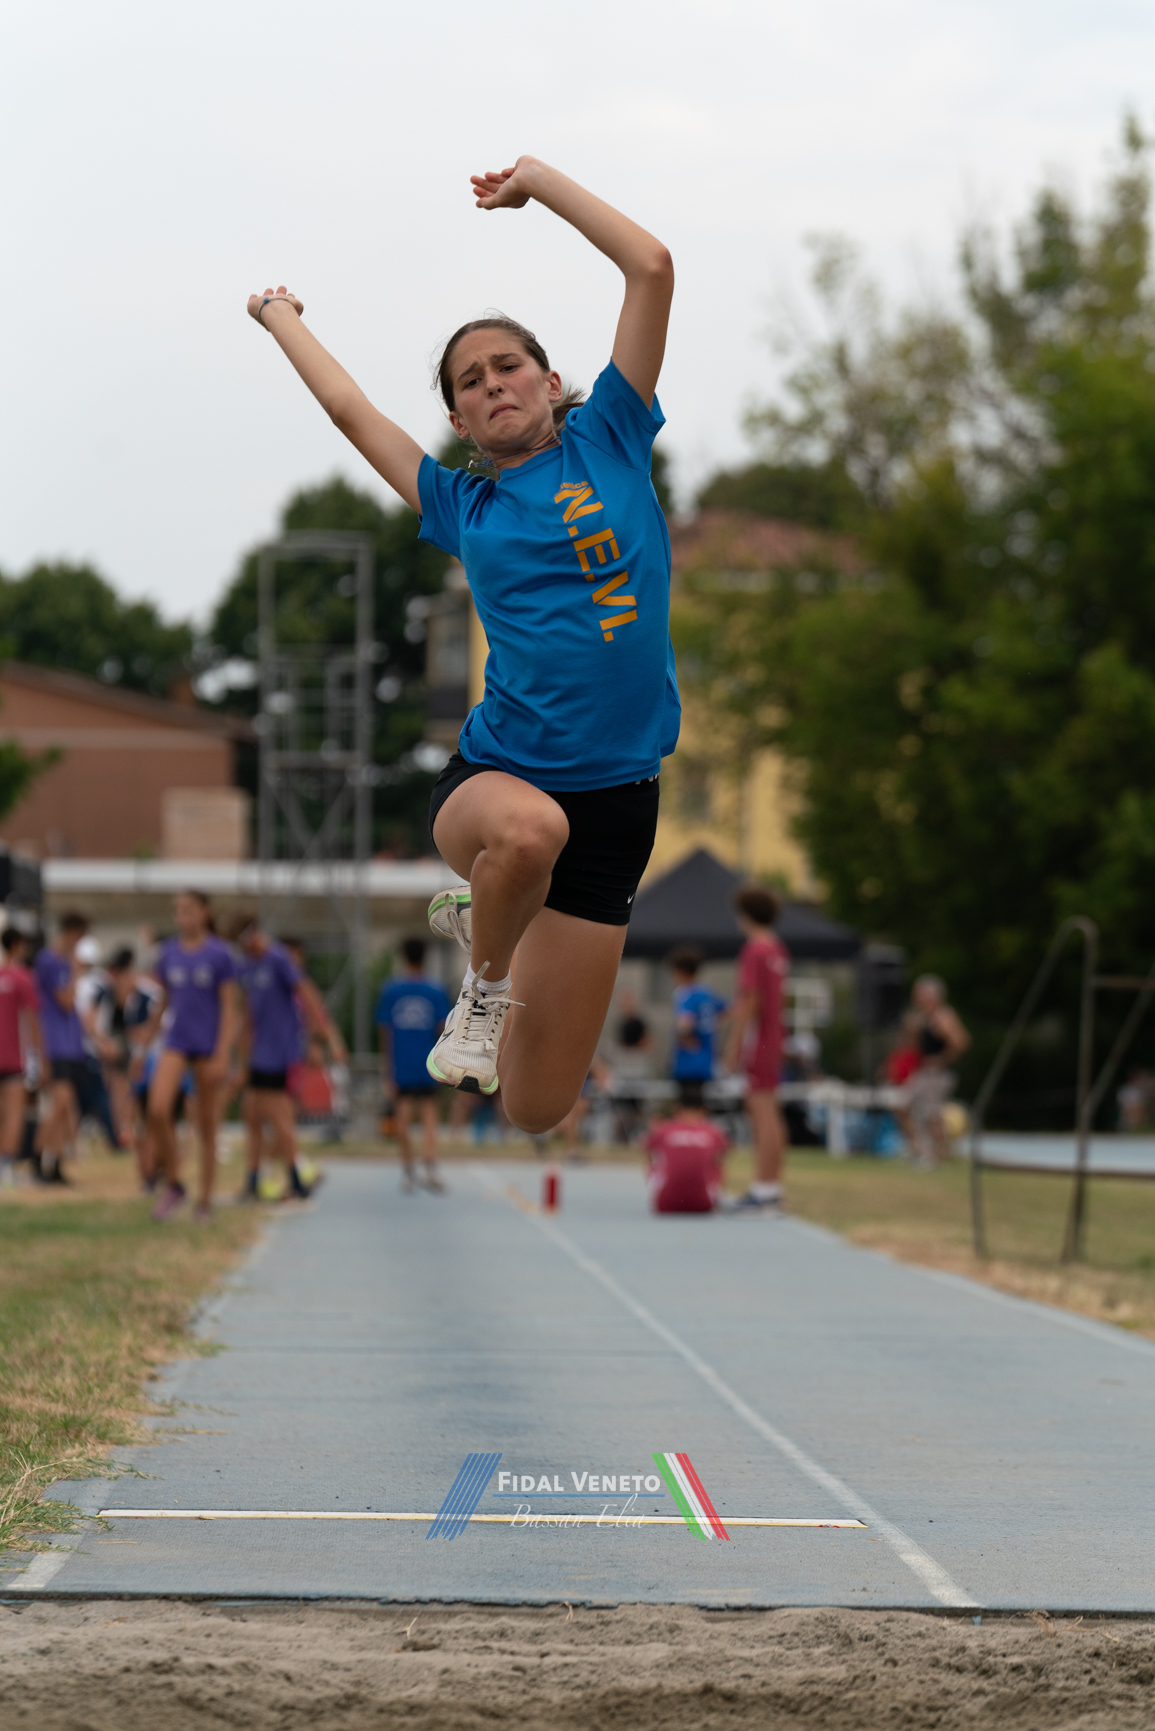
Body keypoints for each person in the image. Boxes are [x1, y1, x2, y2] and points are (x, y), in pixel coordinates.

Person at [248, 155, 677, 1127]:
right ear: (458, 421)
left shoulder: (611, 435)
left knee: (534, 1107)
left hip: (620, 802)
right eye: (470, 383)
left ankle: (488, 917)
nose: (492, 385)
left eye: (507, 367)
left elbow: (650, 266)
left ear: (551, 380)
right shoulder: (461, 504)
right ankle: (481, 985)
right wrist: (279, 315)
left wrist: (536, 181)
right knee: (531, 833)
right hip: (498, 784)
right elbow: (351, 412)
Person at [145, 891, 239, 1222]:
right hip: (177, 1041)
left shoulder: (220, 954)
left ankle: (206, 1201)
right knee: (157, 1109)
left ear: (204, 912)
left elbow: (229, 1007)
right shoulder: (168, 953)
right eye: (178, 910)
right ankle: (174, 1184)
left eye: (188, 909)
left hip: (208, 1045)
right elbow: (164, 1002)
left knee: (207, 1125)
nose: (182, 915)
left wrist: (222, 1053)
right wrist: (144, 1045)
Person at [231, 915, 317, 1203]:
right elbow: (247, 1017)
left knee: (280, 1119)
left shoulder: (278, 959)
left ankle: (296, 1180)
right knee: (252, 1117)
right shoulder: (247, 966)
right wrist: (242, 1062)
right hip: (259, 1055)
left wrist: (319, 1038)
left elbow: (307, 996)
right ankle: (254, 1180)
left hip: (280, 1054)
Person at [723, 885, 791, 1214]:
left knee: (761, 1113)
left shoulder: (754, 950)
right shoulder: (777, 949)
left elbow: (752, 1000)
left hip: (759, 1038)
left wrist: (733, 1046)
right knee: (771, 1113)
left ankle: (764, 1189)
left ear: (745, 915)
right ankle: (771, 1186)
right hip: (774, 1035)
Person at [376, 939, 450, 1192]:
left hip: (402, 1065)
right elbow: (443, 1029)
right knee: (429, 1116)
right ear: (425, 958)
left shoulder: (391, 990)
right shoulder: (436, 990)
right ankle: (430, 1166)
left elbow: (385, 1031)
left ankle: (409, 1170)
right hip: (429, 1063)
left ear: (403, 957)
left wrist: (388, 1068)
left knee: (403, 1119)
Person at [33, 911, 91, 1182]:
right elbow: (66, 1000)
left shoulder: (60, 961)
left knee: (65, 1106)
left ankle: (54, 1165)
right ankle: (38, 1158)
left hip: (69, 1043)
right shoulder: (53, 961)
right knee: (60, 1103)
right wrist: (76, 971)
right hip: (56, 1042)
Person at [905, 975, 970, 1168]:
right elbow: (914, 1045)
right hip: (923, 1071)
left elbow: (961, 1042)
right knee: (905, 1105)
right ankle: (921, 1150)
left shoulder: (943, 1016)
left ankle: (937, 1155)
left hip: (938, 1074)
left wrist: (943, 1059)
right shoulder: (922, 1017)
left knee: (932, 1114)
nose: (915, 998)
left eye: (919, 994)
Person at [643, 1079, 729, 1214]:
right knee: (717, 1161)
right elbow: (723, 1155)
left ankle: (660, 1189)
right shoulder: (714, 1132)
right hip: (704, 1204)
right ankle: (714, 1195)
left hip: (666, 1203)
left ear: (677, 1108)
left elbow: (646, 1148)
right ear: (705, 1110)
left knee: (655, 1157)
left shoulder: (664, 1130)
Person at [0, 929, 43, 1186]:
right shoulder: (23, 977)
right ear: (18, 945)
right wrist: (40, 1056)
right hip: (13, 1057)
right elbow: (32, 1020)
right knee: (15, 1113)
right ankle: (6, 1167)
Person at [668, 946, 727, 1086]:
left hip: (688, 1063)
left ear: (680, 971)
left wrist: (685, 1037)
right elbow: (731, 1009)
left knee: (688, 1098)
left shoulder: (685, 993)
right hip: (707, 1061)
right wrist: (713, 1024)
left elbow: (684, 1024)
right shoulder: (707, 993)